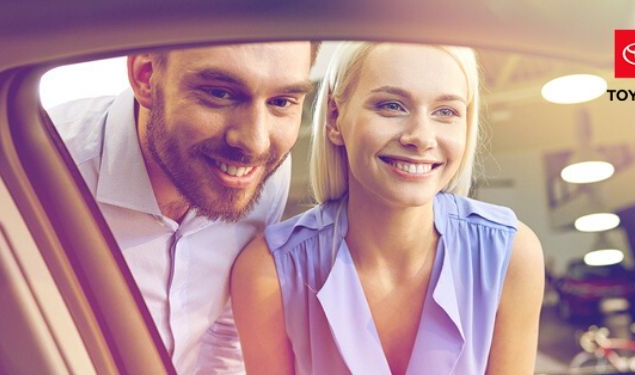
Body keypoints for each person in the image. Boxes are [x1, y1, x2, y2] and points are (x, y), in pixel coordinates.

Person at [231, 42, 545, 374]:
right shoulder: (268, 272)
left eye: (446, 112)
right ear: (336, 119)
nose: (421, 137)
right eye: (392, 106)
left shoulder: (510, 255)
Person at [47, 42, 318, 374]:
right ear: (146, 76)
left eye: (281, 102)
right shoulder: (40, 172)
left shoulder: (259, 173)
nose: (256, 142)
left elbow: (224, 332)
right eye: (220, 93)